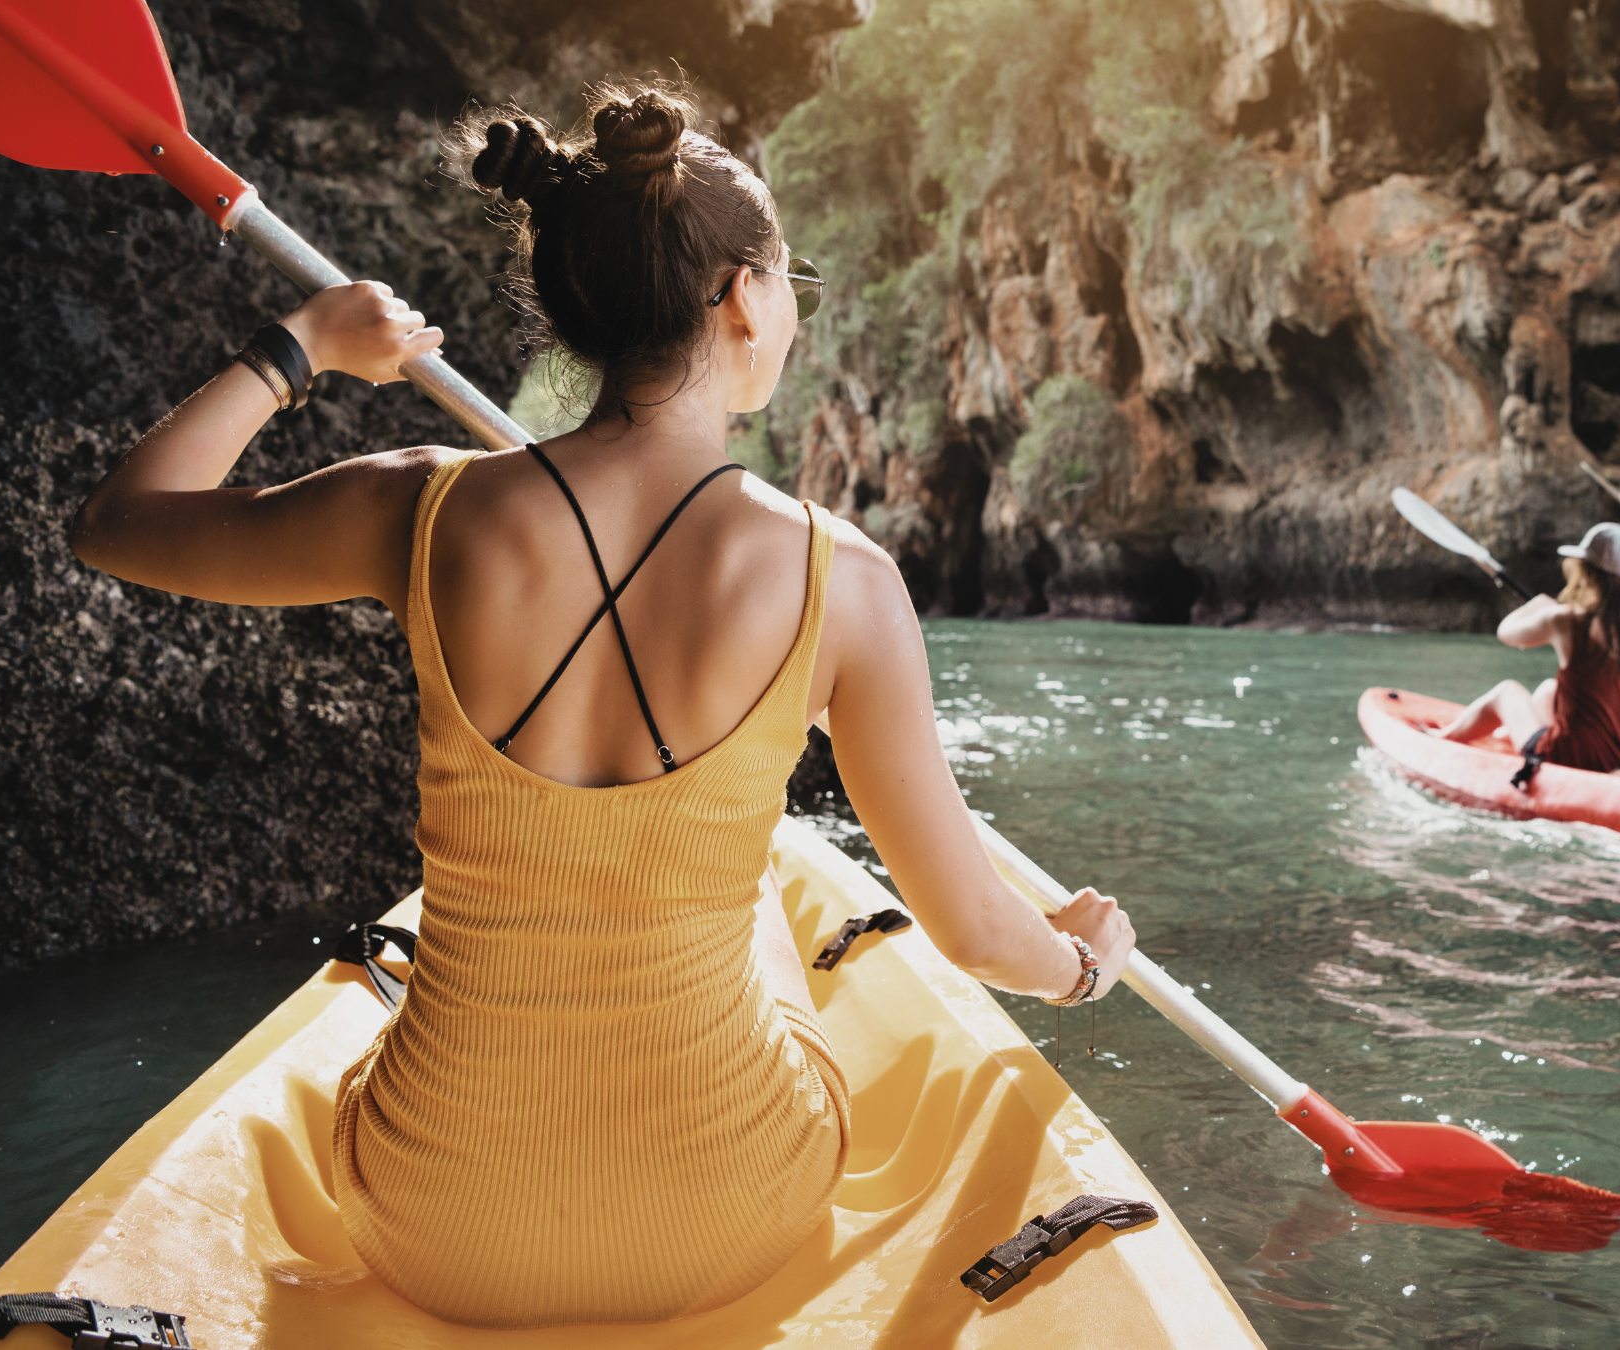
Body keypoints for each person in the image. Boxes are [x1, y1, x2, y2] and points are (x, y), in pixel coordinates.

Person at [69, 85, 1135, 1329]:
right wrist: (1080, 966)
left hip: (434, 1223)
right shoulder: (842, 581)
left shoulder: (418, 509)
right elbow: (978, 935)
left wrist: (300, 343)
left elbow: (119, 525)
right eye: (790, 279)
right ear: (742, 297)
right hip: (728, 1215)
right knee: (759, 881)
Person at [1433, 522, 1620, 784]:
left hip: (1567, 758)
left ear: (1587, 574)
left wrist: (1538, 605)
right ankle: (1505, 734)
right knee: (1549, 691)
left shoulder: (1566, 620)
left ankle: (1440, 740)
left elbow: (1506, 632)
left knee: (1507, 692)